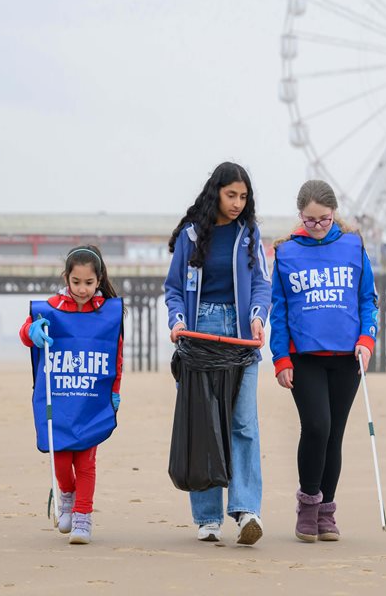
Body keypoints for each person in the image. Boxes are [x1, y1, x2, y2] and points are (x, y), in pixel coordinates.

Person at [164, 161, 271, 546]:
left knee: (243, 423)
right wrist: (176, 321)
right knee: (204, 425)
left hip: (242, 336)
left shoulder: (250, 234)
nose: (238, 203)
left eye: (243, 197)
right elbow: (173, 288)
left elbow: (261, 283)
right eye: (231, 195)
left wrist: (258, 317)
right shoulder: (192, 235)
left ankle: (246, 512)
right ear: (216, 192)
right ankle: (207, 518)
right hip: (199, 332)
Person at [269, 180, 378, 542]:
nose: (317, 227)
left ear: (334, 214)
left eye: (324, 220)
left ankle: (327, 512)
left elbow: (367, 300)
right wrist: (280, 358)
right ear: (300, 216)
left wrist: (367, 339)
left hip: (347, 358)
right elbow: (280, 311)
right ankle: (308, 505)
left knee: (334, 435)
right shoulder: (286, 252)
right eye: (310, 220)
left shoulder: (353, 245)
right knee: (317, 426)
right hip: (305, 358)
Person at [20, 245, 124, 545]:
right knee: (62, 459)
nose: (82, 289)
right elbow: (26, 332)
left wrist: (114, 391)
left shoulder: (107, 313)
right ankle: (66, 492)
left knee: (87, 461)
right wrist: (33, 332)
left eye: (89, 283)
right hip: (61, 399)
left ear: (99, 279)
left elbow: (116, 356)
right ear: (66, 278)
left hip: (92, 398)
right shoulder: (50, 308)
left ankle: (82, 516)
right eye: (76, 282)